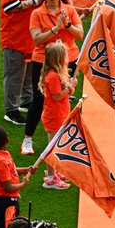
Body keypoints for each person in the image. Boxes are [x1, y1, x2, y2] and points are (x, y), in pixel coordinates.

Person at [22, 0, 83, 155]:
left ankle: (63, 137)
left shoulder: (69, 11)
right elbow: (36, 38)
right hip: (43, 61)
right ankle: (27, 139)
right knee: (39, 99)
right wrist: (55, 29)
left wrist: (67, 25)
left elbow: (79, 34)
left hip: (68, 59)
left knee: (64, 97)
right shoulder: (37, 14)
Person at [0, 0, 44, 125]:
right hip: (15, 35)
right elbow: (9, 7)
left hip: (31, 34)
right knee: (14, 75)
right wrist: (34, 1)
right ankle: (11, 110)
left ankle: (27, 101)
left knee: (29, 72)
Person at [39, 42, 75, 189]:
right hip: (54, 116)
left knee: (56, 146)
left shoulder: (56, 74)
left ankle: (55, 173)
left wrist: (69, 87)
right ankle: (50, 178)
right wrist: (70, 88)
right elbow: (56, 96)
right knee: (52, 148)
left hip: (59, 114)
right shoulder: (53, 77)